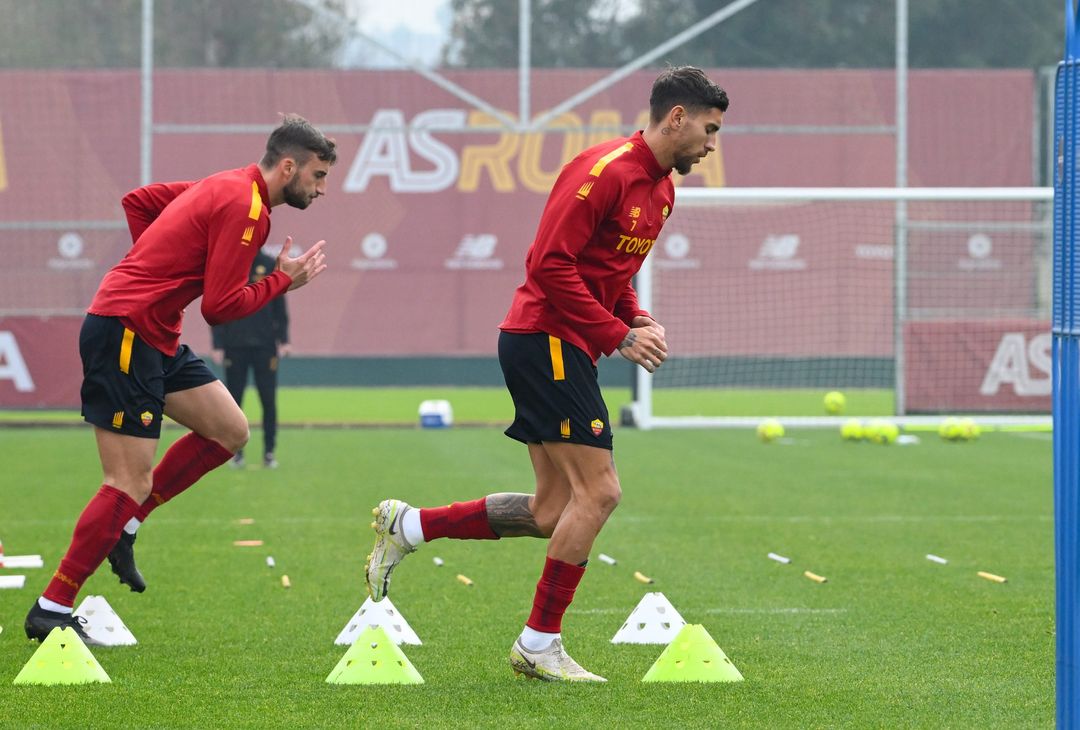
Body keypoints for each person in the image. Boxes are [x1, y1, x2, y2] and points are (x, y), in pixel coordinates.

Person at [365, 67, 729, 681]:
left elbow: (610, 276)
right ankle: (538, 643)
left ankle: (410, 525)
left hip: (564, 344)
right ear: (676, 118)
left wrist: (637, 315)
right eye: (709, 129)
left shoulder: (663, 189)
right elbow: (550, 267)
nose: (713, 144)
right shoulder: (604, 171)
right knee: (602, 492)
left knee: (550, 511)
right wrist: (619, 335)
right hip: (545, 338)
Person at [25, 114, 336, 643]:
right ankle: (52, 605)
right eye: (318, 176)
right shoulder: (246, 205)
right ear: (289, 166)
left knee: (230, 431)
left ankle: (127, 525)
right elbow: (219, 308)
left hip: (155, 333)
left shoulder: (226, 182)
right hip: (126, 330)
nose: (322, 189)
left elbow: (139, 202)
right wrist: (281, 282)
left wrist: (162, 266)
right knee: (127, 480)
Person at [212, 250, 289, 469]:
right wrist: (218, 343)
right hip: (234, 346)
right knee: (233, 403)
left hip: (265, 347)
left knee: (268, 400)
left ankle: (269, 452)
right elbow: (216, 304)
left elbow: (280, 306)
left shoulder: (269, 264)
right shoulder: (229, 263)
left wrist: (284, 339)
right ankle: (236, 454)